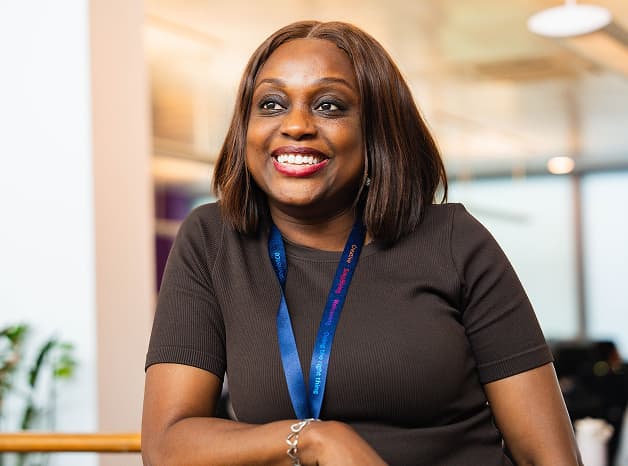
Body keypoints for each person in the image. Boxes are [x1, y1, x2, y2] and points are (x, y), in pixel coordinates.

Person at [142, 20, 582, 465]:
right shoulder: (213, 240)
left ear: (376, 132)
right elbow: (166, 445)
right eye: (272, 104)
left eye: (330, 106)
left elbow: (548, 456)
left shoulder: (453, 241)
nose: (296, 125)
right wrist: (314, 439)